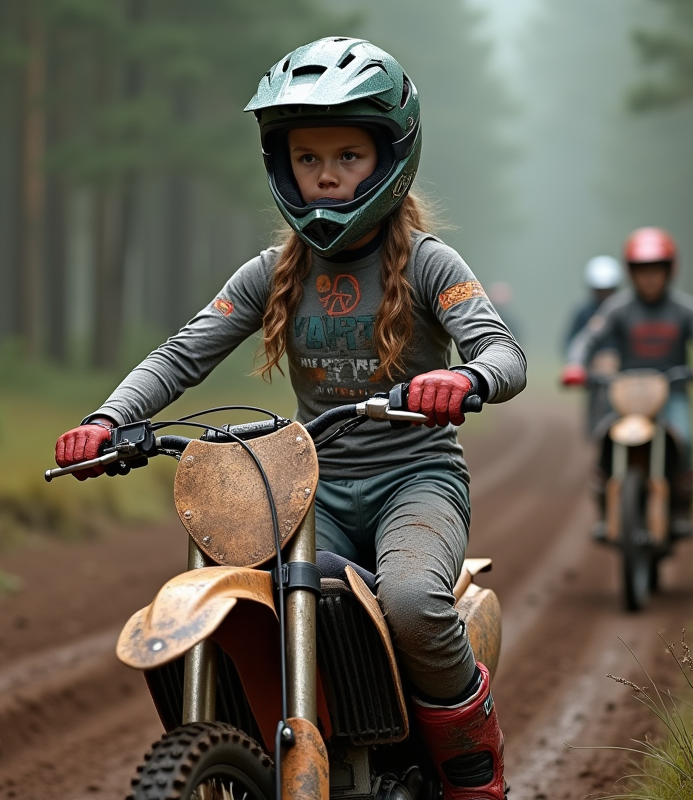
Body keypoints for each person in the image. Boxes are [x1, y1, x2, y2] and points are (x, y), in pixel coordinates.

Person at [54, 37, 524, 800]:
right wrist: (108, 420)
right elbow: (181, 355)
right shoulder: (273, 272)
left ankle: (473, 774)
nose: (327, 173)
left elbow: (504, 353)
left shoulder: (431, 262)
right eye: (308, 158)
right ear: (284, 166)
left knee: (409, 600)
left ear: (390, 157)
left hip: (415, 479)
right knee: (261, 593)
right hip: (312, 490)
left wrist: (462, 378)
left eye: (347, 154)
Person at [561, 227, 693, 537]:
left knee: (685, 440)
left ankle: (682, 509)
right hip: (627, 394)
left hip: (673, 392)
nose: (649, 278)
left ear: (669, 271)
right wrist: (575, 365)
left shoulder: (685, 309)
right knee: (606, 439)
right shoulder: (618, 308)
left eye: (656, 271)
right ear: (631, 273)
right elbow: (588, 338)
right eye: (642, 271)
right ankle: (604, 508)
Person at [563, 256, 623, 436]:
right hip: (593, 373)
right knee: (596, 410)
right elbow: (572, 341)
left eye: (608, 290)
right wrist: (576, 365)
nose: (604, 295)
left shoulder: (624, 310)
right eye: (599, 290)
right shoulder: (584, 312)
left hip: (623, 371)